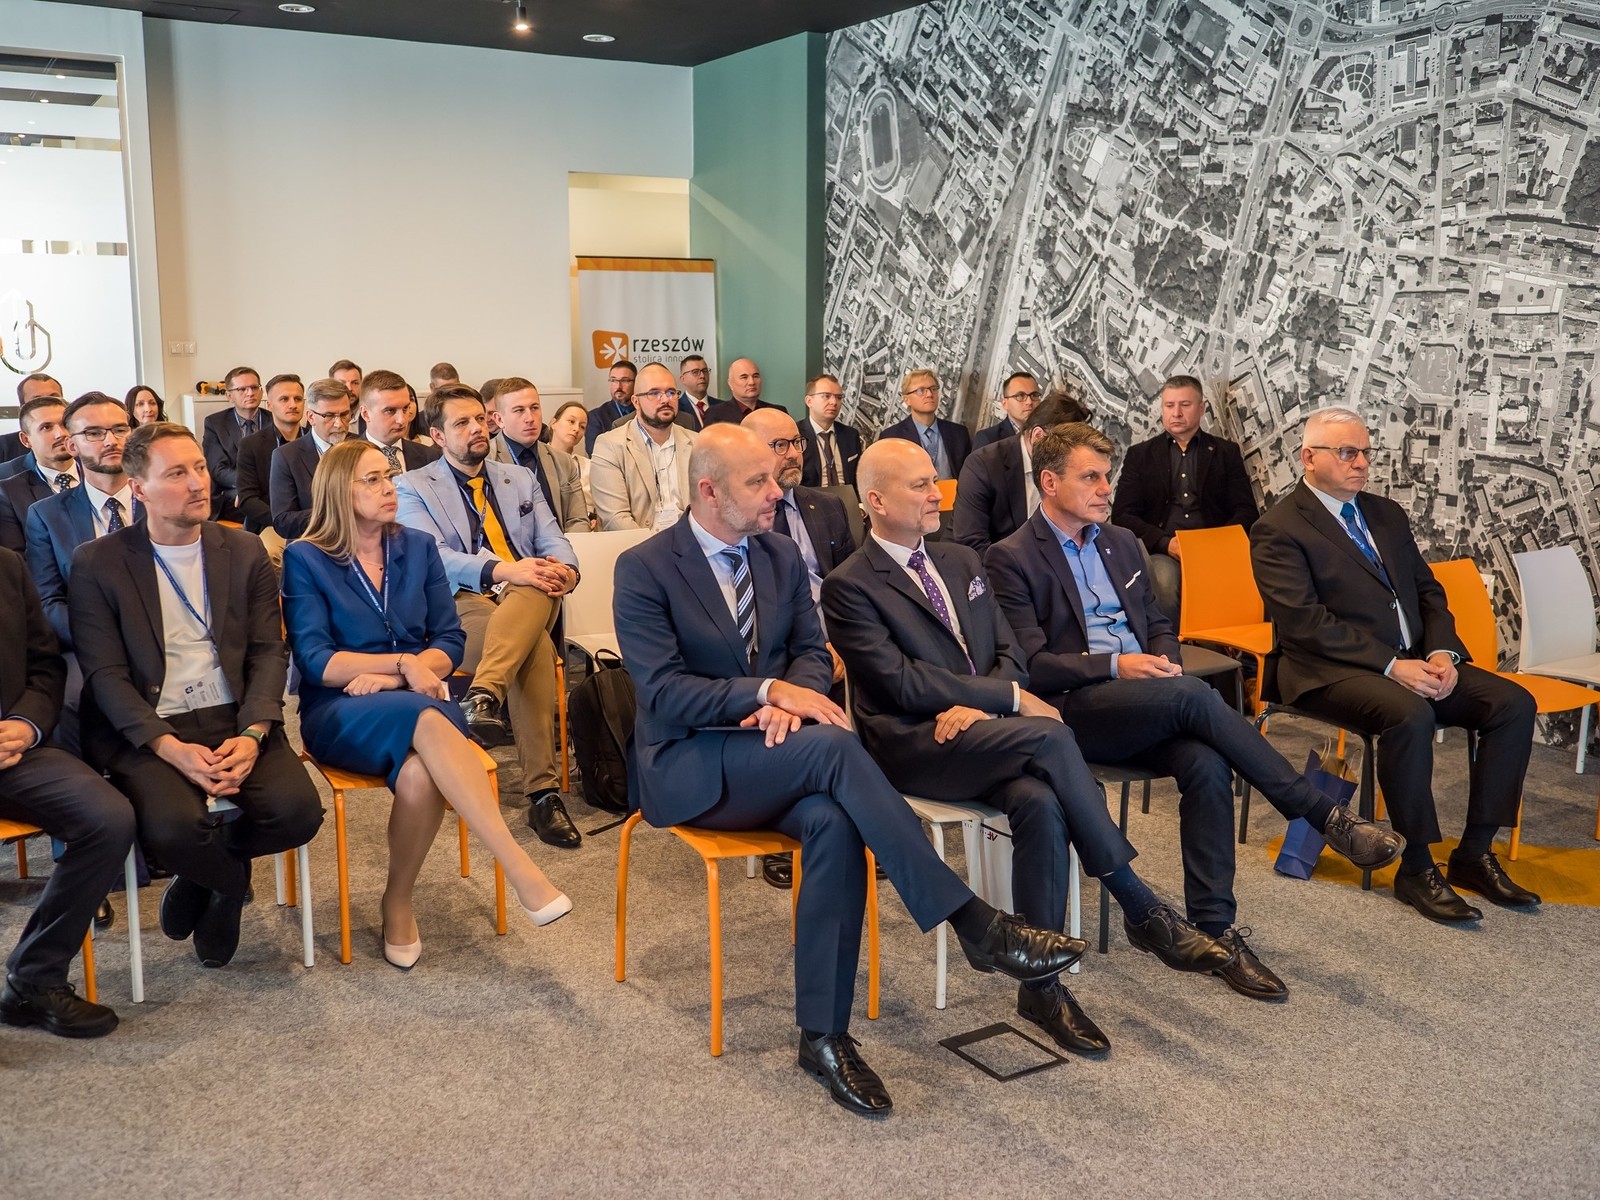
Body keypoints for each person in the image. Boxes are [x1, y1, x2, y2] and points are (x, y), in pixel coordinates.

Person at [614, 422, 1088, 1116]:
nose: (778, 491)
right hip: (690, 762)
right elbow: (662, 691)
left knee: (833, 823)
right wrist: (768, 693)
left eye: (775, 477)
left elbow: (813, 653)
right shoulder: (645, 567)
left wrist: (793, 696)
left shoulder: (777, 555)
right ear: (709, 492)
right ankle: (973, 923)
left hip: (779, 754)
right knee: (836, 748)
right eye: (758, 481)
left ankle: (823, 1036)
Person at [825, 437, 1242, 1051]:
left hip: (984, 730)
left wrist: (989, 702)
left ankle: (1041, 989)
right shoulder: (849, 584)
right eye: (920, 485)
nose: (937, 494)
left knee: (1040, 801)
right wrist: (1008, 699)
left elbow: (1011, 652)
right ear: (877, 501)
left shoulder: (961, 561)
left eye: (934, 480)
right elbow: (900, 684)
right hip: (916, 743)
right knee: (1050, 735)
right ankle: (1138, 905)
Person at [987, 424, 1406, 997]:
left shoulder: (1119, 543)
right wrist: (1118, 666)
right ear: (1050, 482)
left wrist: (1164, 662)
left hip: (1149, 698)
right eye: (1091, 477)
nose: (1106, 488)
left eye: (1107, 476)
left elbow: (1159, 625)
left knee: (1207, 764)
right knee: (1194, 696)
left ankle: (1214, 930)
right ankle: (1321, 814)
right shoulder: (1010, 557)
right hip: (1073, 711)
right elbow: (1034, 665)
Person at [283, 440, 570, 968]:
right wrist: (405, 665)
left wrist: (400, 673)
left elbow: (450, 640)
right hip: (341, 709)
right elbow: (318, 661)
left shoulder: (417, 546)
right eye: (372, 479)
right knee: (429, 716)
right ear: (339, 490)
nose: (389, 488)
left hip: (415, 696)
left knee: (419, 775)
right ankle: (518, 865)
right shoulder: (307, 558)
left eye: (389, 477)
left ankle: (397, 899)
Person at [1251, 407, 1540, 922]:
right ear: (1308, 457)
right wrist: (1390, 665)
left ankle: (1474, 854)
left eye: (1366, 452)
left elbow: (1428, 591)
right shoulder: (1278, 527)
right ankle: (1416, 867)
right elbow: (1304, 623)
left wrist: (1442, 652)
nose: (1362, 463)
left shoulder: (1384, 513)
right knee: (1409, 713)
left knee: (1513, 703)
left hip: (1410, 661)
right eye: (1347, 452)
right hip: (1325, 670)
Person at [69, 422, 324, 969]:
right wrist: (169, 748)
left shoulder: (244, 548)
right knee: (172, 830)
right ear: (138, 488)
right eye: (177, 473)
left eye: (200, 468)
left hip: (233, 714)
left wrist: (253, 734)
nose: (197, 483)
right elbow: (106, 675)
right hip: (150, 723)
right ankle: (228, 886)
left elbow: (268, 651)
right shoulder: (98, 561)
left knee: (298, 814)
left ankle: (205, 876)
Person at [394, 384, 582, 850]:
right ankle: (543, 795)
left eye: (480, 418)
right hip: (462, 601)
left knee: (535, 586)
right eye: (462, 423)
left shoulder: (518, 477)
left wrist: (568, 570)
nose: (477, 428)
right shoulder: (413, 486)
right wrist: (504, 569)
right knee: (536, 648)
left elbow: (553, 537)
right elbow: (434, 556)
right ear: (438, 436)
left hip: (529, 594)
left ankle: (483, 696)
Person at [0, 547, 134, 1038]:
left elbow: (45, 665)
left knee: (108, 818)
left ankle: (34, 977)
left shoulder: (6, 566)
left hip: (15, 750)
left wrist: (26, 723)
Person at [742, 405, 858, 891]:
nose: (793, 453)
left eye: (797, 443)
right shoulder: (744, 515)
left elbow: (853, 586)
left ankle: (863, 813)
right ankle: (783, 822)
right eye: (780, 445)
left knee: (888, 668)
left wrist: (844, 642)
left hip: (835, 635)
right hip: (778, 643)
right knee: (789, 677)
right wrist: (817, 647)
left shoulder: (825, 505)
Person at [1112, 375, 1260, 616]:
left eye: (1185, 405)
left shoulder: (1225, 452)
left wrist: (1217, 544)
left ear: (1202, 408)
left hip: (1216, 549)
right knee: (1165, 586)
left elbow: (1246, 511)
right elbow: (1122, 515)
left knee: (1250, 585)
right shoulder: (1140, 455)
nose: (1176, 413)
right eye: (1169, 405)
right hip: (1163, 550)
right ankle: (1168, 642)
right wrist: (1165, 543)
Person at [26, 393, 141, 648]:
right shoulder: (47, 516)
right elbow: (48, 601)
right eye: (94, 433)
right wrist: (105, 638)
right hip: (92, 646)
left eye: (120, 430)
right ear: (72, 446)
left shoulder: (159, 500)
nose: (111, 441)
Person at [952, 393, 1085, 560]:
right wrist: (1024, 571)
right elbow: (972, 544)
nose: (1071, 456)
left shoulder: (1065, 469)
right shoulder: (983, 465)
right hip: (992, 565)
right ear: (1038, 436)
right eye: (1066, 448)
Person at [589, 363, 697, 532]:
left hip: (690, 541)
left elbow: (711, 508)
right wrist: (656, 547)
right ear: (636, 401)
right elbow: (616, 519)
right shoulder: (609, 446)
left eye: (671, 392)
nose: (665, 399)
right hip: (637, 543)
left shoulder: (698, 443)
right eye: (654, 393)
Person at [487, 378, 588, 533]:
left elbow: (578, 520)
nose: (530, 418)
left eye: (534, 408)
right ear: (499, 420)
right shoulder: (486, 460)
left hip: (562, 545)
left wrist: (563, 546)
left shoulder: (563, 461)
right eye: (519, 410)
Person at [270, 378, 354, 540]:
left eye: (344, 415)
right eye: (329, 416)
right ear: (311, 417)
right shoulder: (287, 456)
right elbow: (283, 521)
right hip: (312, 543)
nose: (339, 424)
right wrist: (335, 514)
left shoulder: (363, 448)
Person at [235, 374, 306, 563]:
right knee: (270, 552)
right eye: (284, 399)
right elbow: (247, 499)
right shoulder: (251, 445)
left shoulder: (314, 440)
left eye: (298, 399)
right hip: (272, 522)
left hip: (314, 521)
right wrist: (284, 520)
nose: (293, 405)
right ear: (269, 405)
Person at [0, 394, 76, 553]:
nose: (60, 434)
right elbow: (16, 558)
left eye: (65, 424)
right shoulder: (9, 493)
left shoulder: (100, 474)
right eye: (46, 427)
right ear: (25, 440)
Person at [877, 369, 970, 481]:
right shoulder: (891, 439)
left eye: (933, 389)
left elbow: (968, 479)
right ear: (907, 400)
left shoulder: (959, 434)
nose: (930, 394)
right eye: (921, 391)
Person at [201, 365, 265, 522]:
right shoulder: (215, 424)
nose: (250, 393)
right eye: (242, 389)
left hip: (268, 491)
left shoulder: (274, 421)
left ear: (261, 391)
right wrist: (249, 486)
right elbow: (218, 470)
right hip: (231, 492)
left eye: (254, 387)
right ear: (229, 396)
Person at [359, 370, 441, 474]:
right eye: (390, 411)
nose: (402, 420)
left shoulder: (431, 458)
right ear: (366, 414)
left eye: (405, 408)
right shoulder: (347, 461)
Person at [798, 374, 863, 489]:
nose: (834, 402)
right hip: (811, 498)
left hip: (847, 498)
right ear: (809, 401)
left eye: (839, 397)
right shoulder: (796, 435)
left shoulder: (850, 435)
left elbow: (858, 478)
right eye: (826, 396)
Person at [547, 401, 594, 527]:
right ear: (553, 423)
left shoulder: (589, 466)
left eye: (582, 426)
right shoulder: (536, 459)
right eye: (571, 421)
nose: (576, 429)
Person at [0, 374, 63, 466]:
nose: (48, 405)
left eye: (54, 399)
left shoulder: (81, 440)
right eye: (38, 401)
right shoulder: (4, 447)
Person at [972, 372, 1044, 451]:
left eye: (1034, 395)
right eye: (1020, 396)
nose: (1029, 402)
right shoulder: (988, 439)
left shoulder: (1048, 434)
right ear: (1004, 404)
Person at [702, 357, 782, 426]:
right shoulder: (716, 415)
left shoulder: (777, 412)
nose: (751, 382)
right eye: (744, 377)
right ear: (730, 383)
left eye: (755, 376)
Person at [584, 360, 637, 455]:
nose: (618, 386)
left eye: (624, 380)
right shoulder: (596, 417)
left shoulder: (645, 412)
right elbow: (595, 452)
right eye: (613, 380)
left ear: (636, 383)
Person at [676, 353, 717, 428]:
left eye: (705, 371)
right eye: (695, 372)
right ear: (683, 379)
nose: (702, 376)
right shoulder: (676, 409)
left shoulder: (722, 407)